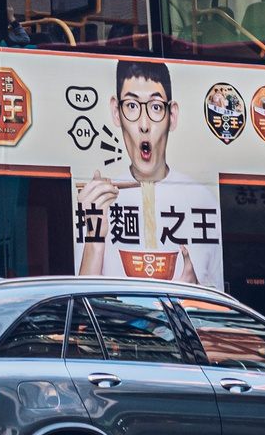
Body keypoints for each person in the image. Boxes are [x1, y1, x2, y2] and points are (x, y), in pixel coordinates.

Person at [74, 59, 223, 289]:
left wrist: (192, 294)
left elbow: (219, 313)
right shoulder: (96, 203)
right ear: (116, 112)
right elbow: (81, 313)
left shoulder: (203, 200)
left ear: (172, 115)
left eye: (155, 107)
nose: (144, 124)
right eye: (132, 106)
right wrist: (95, 239)